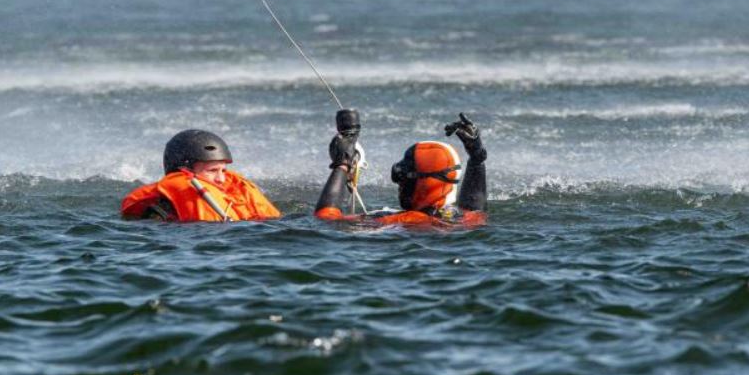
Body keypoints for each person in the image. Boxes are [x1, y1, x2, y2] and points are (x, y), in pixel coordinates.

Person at [314, 110, 487, 227]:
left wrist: (342, 164)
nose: (400, 184)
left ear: (426, 183)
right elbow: (474, 207)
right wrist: (477, 159)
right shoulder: (462, 218)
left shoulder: (411, 220)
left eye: (404, 177)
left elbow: (326, 220)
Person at [121, 129, 281, 222]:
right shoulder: (157, 214)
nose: (221, 179)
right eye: (212, 171)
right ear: (182, 171)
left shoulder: (234, 191)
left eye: (223, 170)